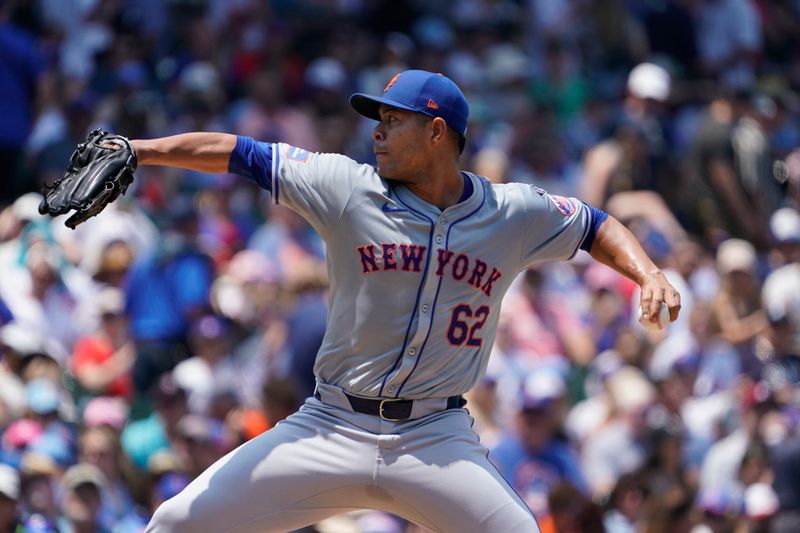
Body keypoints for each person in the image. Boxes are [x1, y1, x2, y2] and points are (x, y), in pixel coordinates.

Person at [114, 69, 680, 532]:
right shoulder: (348, 187)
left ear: (437, 133)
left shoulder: (512, 212)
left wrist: (648, 272)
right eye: (378, 120)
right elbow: (242, 153)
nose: (377, 133)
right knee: (176, 524)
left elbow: (594, 224)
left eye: (393, 121)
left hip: (435, 438)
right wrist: (140, 150)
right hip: (332, 424)